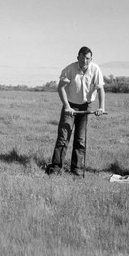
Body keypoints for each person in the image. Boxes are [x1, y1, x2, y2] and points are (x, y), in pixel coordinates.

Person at [46, 46, 105, 176]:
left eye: (88, 58)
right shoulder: (69, 69)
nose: (85, 61)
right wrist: (67, 106)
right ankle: (56, 167)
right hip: (70, 106)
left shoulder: (95, 69)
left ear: (91, 59)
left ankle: (76, 168)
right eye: (82, 58)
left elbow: (100, 89)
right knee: (63, 136)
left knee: (80, 139)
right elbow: (61, 88)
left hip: (85, 107)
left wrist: (101, 107)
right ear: (77, 57)